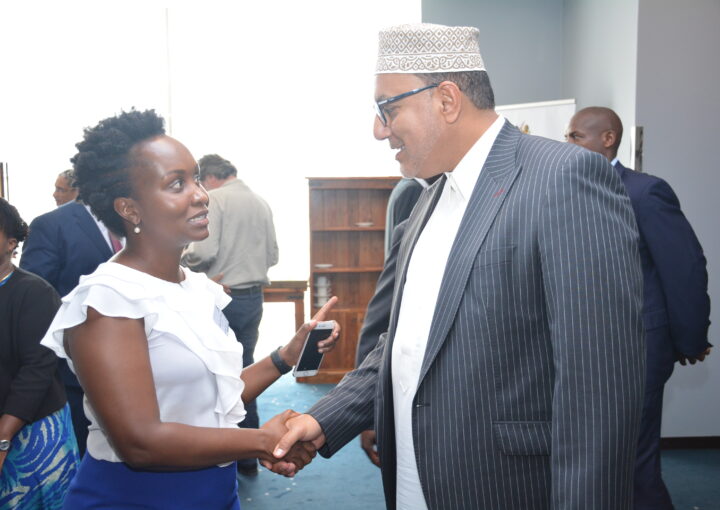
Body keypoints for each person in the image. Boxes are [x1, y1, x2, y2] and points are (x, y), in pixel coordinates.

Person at [268, 24, 646, 510]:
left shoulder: (563, 178)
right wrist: (325, 418)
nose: (379, 129)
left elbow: (600, 387)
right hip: (414, 482)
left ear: (446, 99)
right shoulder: (428, 199)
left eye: (388, 109)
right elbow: (408, 346)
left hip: (506, 489)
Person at [39, 109, 339, 509]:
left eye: (196, 178)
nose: (200, 194)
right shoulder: (108, 300)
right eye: (176, 184)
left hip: (215, 493)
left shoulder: (196, 288)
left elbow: (214, 401)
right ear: (129, 209)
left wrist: (285, 357)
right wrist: (261, 440)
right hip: (137, 499)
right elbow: (140, 443)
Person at [566, 106, 712, 510]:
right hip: (581, 351)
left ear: (608, 139)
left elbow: (683, 268)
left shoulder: (645, 192)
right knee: (596, 462)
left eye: (576, 136)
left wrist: (690, 338)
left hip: (637, 349)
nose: (568, 143)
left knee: (634, 464)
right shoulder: (562, 190)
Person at [181, 154, 278, 475]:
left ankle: (218, 455)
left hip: (222, 296)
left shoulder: (216, 200)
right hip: (253, 298)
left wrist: (183, 261)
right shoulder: (260, 201)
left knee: (214, 376)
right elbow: (273, 255)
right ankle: (248, 455)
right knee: (246, 371)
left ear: (209, 178)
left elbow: (203, 251)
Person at [21, 171, 122, 456]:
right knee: (81, 450)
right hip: (73, 370)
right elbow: (34, 298)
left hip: (131, 363)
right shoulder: (52, 225)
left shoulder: (139, 221)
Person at [0, 198, 80, 508]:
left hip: (32, 433)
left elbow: (36, 371)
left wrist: (3, 438)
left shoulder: (35, 293)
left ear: (11, 243)